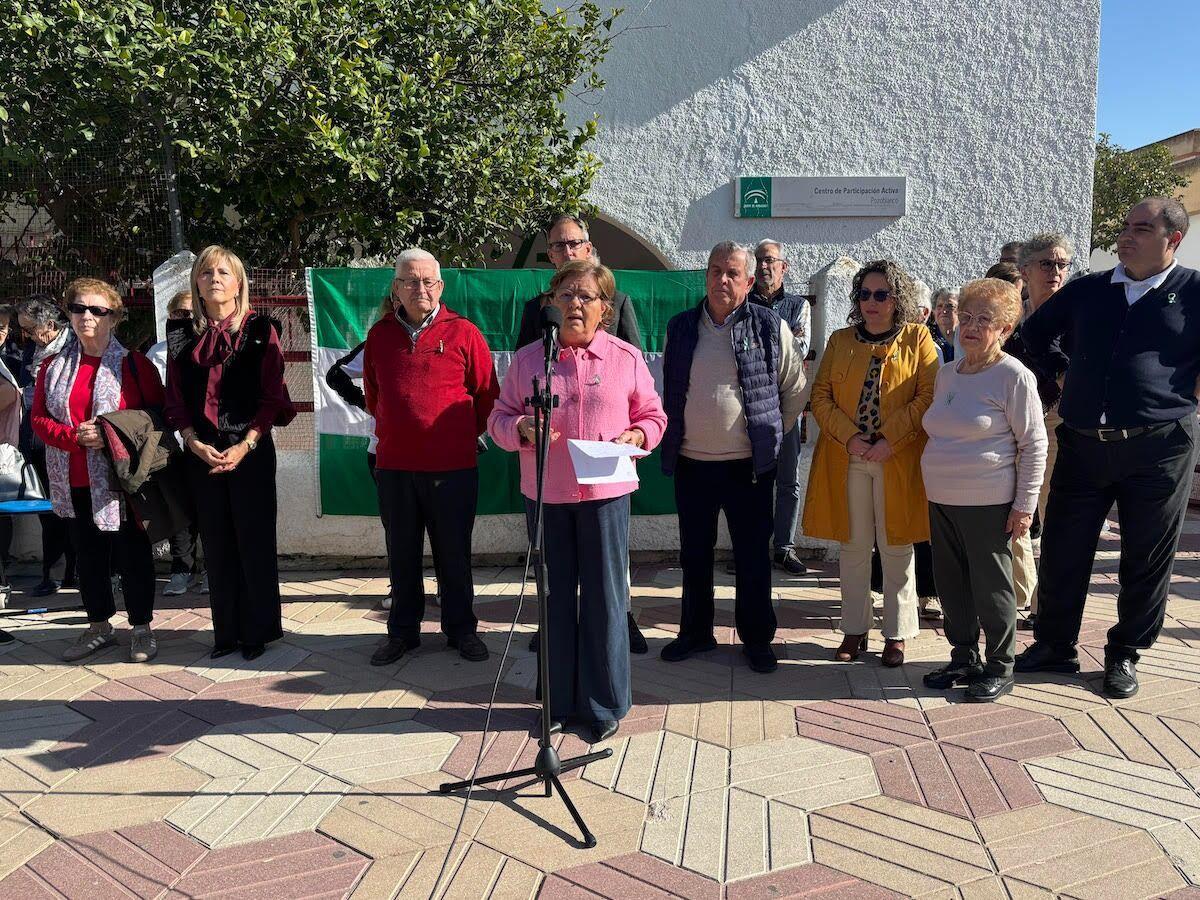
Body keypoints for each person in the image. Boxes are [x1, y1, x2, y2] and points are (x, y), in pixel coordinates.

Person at [1016, 198, 1199, 699]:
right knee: (1063, 548)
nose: (1126, 236)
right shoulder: (1089, 290)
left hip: (1159, 449)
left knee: (1146, 557)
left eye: (1142, 228)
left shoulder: (1195, 291)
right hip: (1082, 444)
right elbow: (1031, 334)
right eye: (1125, 226)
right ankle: (1054, 645)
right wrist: (1058, 373)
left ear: (1172, 240)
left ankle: (1124, 653)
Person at [490, 259, 666, 741]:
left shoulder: (626, 358)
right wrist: (521, 428)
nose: (574, 304)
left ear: (604, 309)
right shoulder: (529, 360)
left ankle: (605, 701)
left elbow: (654, 416)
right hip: (546, 494)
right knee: (555, 598)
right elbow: (497, 420)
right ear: (552, 304)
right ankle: (558, 700)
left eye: (586, 296)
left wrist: (639, 434)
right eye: (565, 295)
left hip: (607, 496)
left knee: (606, 600)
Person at [658, 242, 808, 674]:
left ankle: (757, 639)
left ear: (747, 281)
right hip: (692, 462)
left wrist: (770, 432)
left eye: (732, 273)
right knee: (695, 555)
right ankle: (695, 633)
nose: (722, 280)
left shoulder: (769, 326)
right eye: (715, 271)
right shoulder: (681, 327)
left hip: (749, 466)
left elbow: (795, 389)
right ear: (705, 276)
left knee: (752, 557)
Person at [515, 213, 648, 653]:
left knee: (608, 571)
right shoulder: (537, 309)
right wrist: (526, 425)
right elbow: (523, 376)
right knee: (553, 567)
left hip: (604, 474)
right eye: (557, 246)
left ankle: (619, 620)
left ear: (588, 248)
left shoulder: (618, 301)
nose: (566, 252)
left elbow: (634, 379)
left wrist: (635, 431)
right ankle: (553, 628)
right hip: (549, 476)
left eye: (573, 244)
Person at [363, 248, 498, 667]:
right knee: (401, 552)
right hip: (395, 466)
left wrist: (454, 436)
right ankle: (403, 633)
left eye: (427, 281)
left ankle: (461, 630)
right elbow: (373, 396)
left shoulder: (464, 332)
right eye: (410, 281)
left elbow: (486, 394)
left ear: (440, 286)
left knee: (453, 553)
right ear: (396, 288)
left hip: (453, 467)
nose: (419, 288)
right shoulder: (380, 335)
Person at [802, 260, 939, 668]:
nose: (871, 303)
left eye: (881, 294)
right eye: (864, 294)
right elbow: (821, 396)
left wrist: (888, 439)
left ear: (898, 299)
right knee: (854, 546)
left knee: (897, 545)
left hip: (897, 458)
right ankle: (854, 628)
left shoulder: (918, 339)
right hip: (849, 457)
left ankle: (896, 634)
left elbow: (927, 397)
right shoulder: (841, 340)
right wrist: (852, 438)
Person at [165, 246, 295, 661]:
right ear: (197, 285)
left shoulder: (261, 330)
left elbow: (272, 397)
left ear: (238, 283)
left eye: (224, 272)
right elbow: (175, 397)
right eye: (206, 273)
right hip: (201, 452)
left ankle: (257, 630)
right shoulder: (181, 334)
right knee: (216, 543)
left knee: (253, 540)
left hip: (250, 449)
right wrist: (191, 440)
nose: (214, 278)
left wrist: (245, 444)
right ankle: (226, 633)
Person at [921, 279, 1047, 701]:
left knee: (992, 587)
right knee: (951, 583)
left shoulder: (1013, 376)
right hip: (941, 499)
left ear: (1006, 329)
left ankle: (1000, 664)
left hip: (989, 503)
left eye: (985, 320)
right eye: (967, 316)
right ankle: (963, 656)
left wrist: (1025, 507)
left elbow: (1034, 444)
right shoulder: (947, 374)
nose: (971, 327)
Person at [31, 278, 165, 663]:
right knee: (87, 554)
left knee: (132, 553)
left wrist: (109, 433)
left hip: (121, 478)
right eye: (78, 308)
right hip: (72, 477)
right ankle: (98, 626)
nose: (86, 316)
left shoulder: (134, 365)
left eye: (97, 310)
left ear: (114, 317)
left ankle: (141, 629)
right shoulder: (52, 367)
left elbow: (156, 417)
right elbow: (38, 418)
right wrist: (74, 437)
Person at [1014, 232, 1075, 630]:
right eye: (1046, 264)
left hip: (1055, 422)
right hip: (1008, 424)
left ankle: (1042, 605)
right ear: (1024, 271)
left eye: (1061, 264)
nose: (1055, 272)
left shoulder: (1077, 314)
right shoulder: (1010, 315)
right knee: (1008, 514)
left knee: (1051, 515)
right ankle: (1018, 593)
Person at [750, 238, 812, 576]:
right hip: (752, 405)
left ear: (783, 267)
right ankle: (754, 547)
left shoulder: (799, 304)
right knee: (753, 480)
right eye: (759, 260)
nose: (763, 266)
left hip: (788, 403)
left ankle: (784, 548)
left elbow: (799, 348)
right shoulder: (743, 304)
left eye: (770, 260)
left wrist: (762, 342)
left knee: (788, 480)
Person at [325, 336, 392, 611]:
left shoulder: (443, 337)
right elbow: (335, 374)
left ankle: (446, 590)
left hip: (432, 453)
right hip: (385, 452)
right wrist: (366, 402)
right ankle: (402, 588)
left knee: (440, 526)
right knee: (398, 527)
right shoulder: (379, 342)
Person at [147, 290, 206, 597]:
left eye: (190, 313)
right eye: (178, 314)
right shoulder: (157, 353)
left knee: (208, 508)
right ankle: (182, 569)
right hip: (171, 444)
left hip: (204, 443)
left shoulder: (208, 348)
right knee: (179, 509)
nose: (184, 319)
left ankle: (209, 568)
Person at [16, 297, 76, 596]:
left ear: (49, 325)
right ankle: (53, 573)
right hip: (38, 439)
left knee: (75, 509)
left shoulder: (74, 347)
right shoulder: (33, 350)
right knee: (49, 510)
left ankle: (77, 572)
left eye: (28, 328)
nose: (24, 335)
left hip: (68, 440)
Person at [931, 289, 960, 363]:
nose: (944, 311)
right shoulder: (927, 338)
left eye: (950, 306)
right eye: (939, 306)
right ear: (934, 311)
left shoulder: (967, 337)